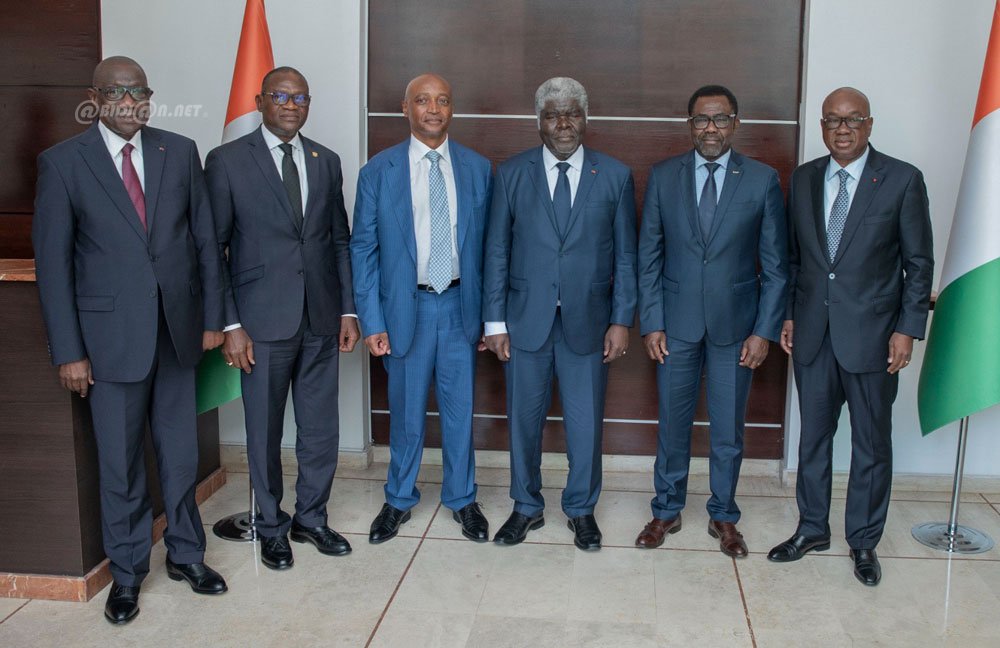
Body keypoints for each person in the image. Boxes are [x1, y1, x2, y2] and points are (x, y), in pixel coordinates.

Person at [33, 56, 228, 625]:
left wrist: (213, 317)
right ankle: (126, 574)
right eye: (117, 91)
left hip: (177, 334)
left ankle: (187, 556)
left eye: (138, 91)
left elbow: (204, 241)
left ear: (148, 97)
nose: (129, 101)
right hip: (108, 342)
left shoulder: (180, 151)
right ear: (94, 97)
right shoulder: (63, 164)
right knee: (120, 464)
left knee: (180, 457)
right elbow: (54, 265)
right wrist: (69, 351)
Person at [767, 87, 933, 586]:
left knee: (871, 444)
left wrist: (907, 330)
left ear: (869, 124)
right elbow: (798, 259)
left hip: (875, 339)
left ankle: (863, 542)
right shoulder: (803, 179)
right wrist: (792, 314)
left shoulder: (902, 179)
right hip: (814, 335)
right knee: (813, 440)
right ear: (821, 126)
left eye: (852, 119)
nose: (842, 129)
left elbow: (918, 265)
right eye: (832, 120)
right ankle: (812, 528)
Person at [205, 66, 359, 570]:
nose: (291, 105)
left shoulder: (326, 160)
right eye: (280, 95)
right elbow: (215, 249)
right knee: (265, 431)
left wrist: (347, 308)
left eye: (300, 97)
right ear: (260, 101)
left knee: (319, 429)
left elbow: (338, 240)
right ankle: (271, 526)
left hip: (319, 316)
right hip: (259, 323)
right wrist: (230, 324)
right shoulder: (227, 161)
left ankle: (311, 518)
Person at [483, 77, 637, 551]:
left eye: (572, 113)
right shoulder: (511, 174)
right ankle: (526, 507)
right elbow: (497, 252)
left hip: (588, 323)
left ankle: (581, 510)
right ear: (539, 121)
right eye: (553, 114)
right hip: (525, 320)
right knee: (523, 420)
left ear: (586, 118)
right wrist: (494, 322)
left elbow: (626, 256)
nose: (563, 122)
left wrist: (621, 319)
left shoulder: (614, 175)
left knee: (585, 423)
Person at [634, 85, 788, 557]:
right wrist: (652, 321)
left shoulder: (761, 180)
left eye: (720, 119)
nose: (711, 128)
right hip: (675, 325)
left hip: (736, 329)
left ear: (736, 123)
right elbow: (649, 256)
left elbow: (776, 266)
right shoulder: (664, 177)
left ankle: (723, 514)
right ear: (690, 124)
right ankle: (666, 509)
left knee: (727, 430)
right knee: (673, 424)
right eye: (702, 119)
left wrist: (763, 330)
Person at [351, 73, 493, 544]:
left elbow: (493, 250)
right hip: (403, 309)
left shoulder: (478, 169)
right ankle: (398, 499)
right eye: (423, 101)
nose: (434, 109)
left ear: (452, 109)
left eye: (443, 101)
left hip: (458, 305)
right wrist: (371, 320)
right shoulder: (379, 170)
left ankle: (463, 499)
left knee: (459, 411)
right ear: (405, 108)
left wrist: (492, 318)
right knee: (406, 413)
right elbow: (363, 250)